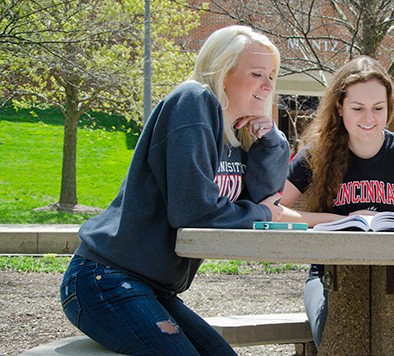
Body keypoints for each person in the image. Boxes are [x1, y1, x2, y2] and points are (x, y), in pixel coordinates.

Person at [59, 25, 289, 355]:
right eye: (256, 74)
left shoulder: (235, 134)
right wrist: (263, 213)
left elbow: (261, 200)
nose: (268, 86)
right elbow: (194, 212)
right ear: (223, 72)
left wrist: (271, 142)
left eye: (271, 75)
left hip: (155, 289)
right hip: (104, 279)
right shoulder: (193, 101)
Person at [278, 56, 394, 348]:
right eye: (357, 108)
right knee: (341, 341)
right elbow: (273, 211)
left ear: (390, 107)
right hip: (331, 276)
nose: (369, 118)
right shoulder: (316, 155)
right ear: (339, 107)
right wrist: (342, 220)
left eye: (378, 108)